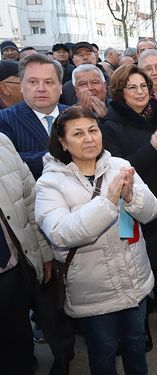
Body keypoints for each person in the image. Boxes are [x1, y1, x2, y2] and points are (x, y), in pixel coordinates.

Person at [35, 106, 157, 375]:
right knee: (103, 350)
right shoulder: (50, 183)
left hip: (133, 277)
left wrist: (131, 197)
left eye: (93, 130)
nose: (89, 138)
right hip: (93, 290)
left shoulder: (120, 165)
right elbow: (60, 233)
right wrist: (108, 201)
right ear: (62, 141)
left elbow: (152, 213)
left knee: (136, 344)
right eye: (78, 133)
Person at [101, 64, 157, 344]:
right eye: (132, 87)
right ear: (120, 91)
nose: (140, 92)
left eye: (143, 86)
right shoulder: (111, 124)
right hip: (130, 208)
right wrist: (154, 148)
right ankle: (142, 329)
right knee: (136, 269)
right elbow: (123, 171)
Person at [0, 131, 57, 375]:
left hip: (13, 269)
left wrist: (44, 253)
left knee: (18, 342)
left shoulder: (2, 142)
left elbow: (30, 200)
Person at [0, 54, 67, 178]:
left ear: (61, 87)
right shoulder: (4, 120)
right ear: (21, 86)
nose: (41, 89)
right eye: (33, 82)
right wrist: (65, 154)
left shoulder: (75, 115)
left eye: (49, 82)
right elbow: (9, 163)